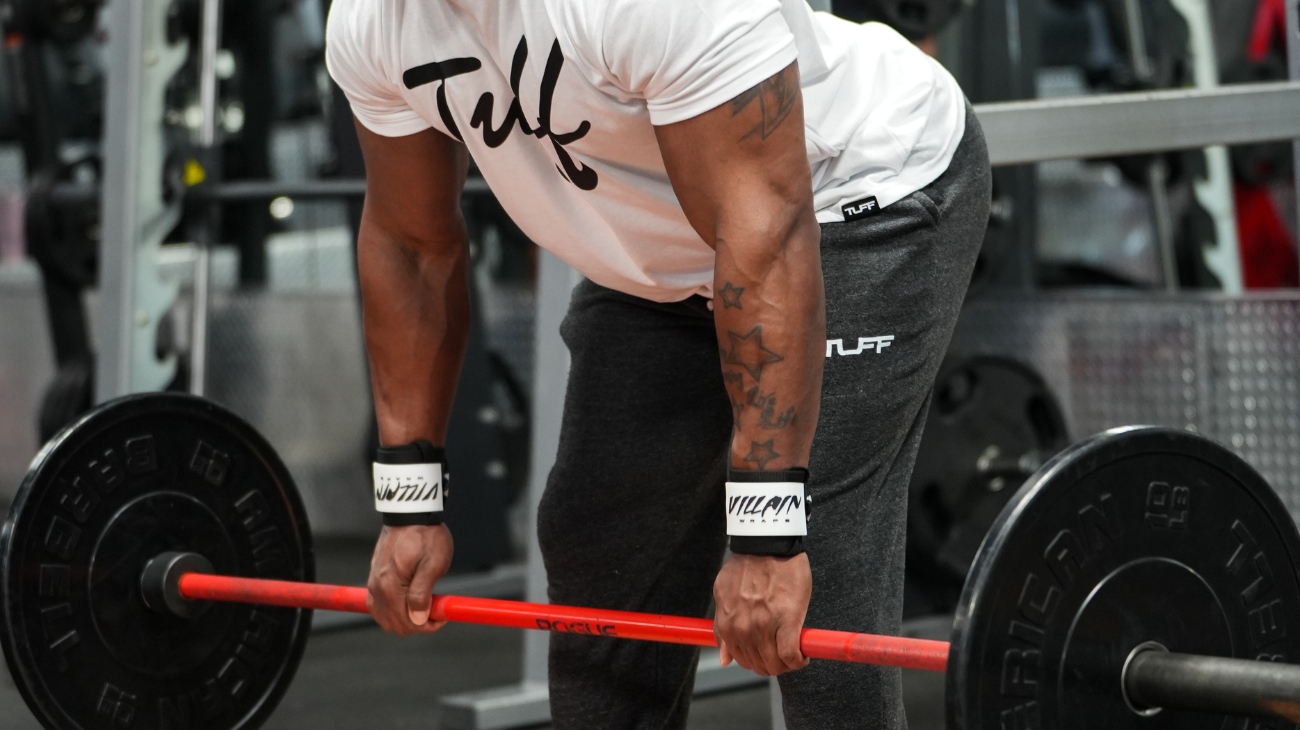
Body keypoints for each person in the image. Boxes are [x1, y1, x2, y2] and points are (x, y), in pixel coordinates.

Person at [325, 0, 990, 726]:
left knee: (815, 577)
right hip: (671, 257)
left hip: (859, 189)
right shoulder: (371, 21)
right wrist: (409, 503)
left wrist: (766, 531)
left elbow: (764, 233)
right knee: (600, 541)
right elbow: (411, 246)